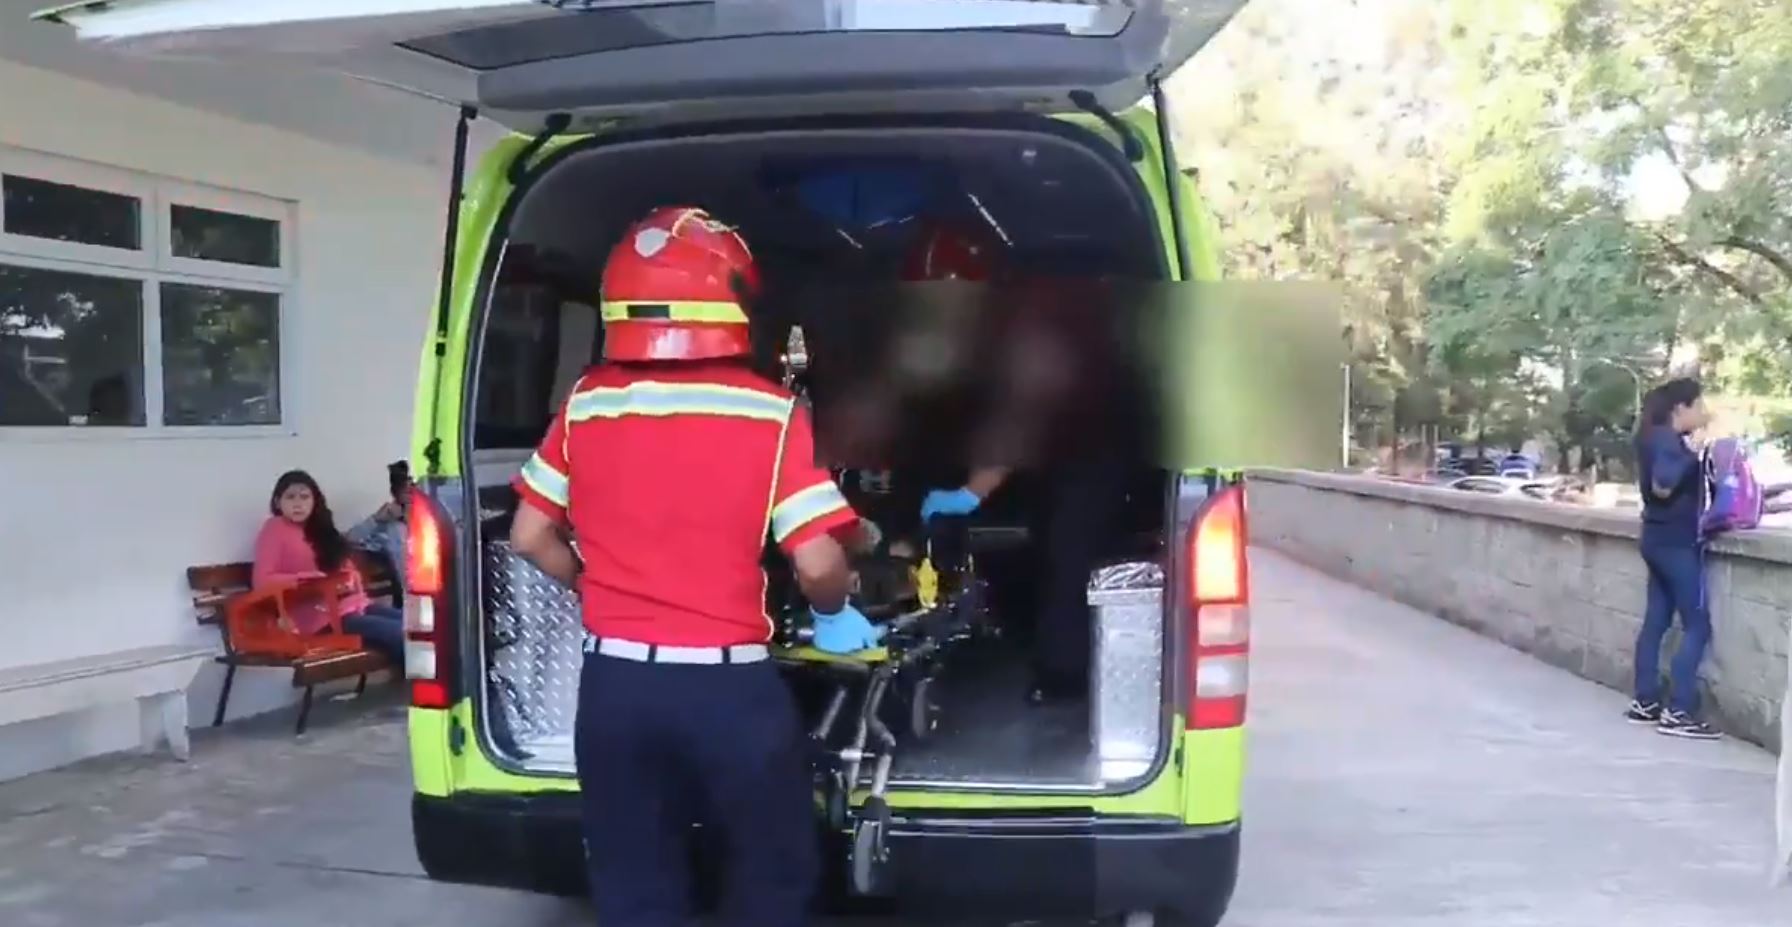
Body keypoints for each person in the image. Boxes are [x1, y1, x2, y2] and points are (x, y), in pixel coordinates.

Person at [506, 205, 875, 927]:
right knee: (771, 873)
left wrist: (597, 589)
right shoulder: (770, 412)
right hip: (727, 688)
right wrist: (834, 612)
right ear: (730, 298)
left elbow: (528, 535)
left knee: (634, 880)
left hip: (614, 686)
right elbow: (817, 560)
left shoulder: (586, 402)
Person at [1625, 377, 1720, 739]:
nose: (1703, 412)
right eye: (1699, 405)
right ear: (1682, 408)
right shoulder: (1667, 441)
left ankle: (1646, 701)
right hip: (1676, 543)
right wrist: (1692, 457)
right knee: (1697, 624)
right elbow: (1662, 486)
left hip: (1656, 538)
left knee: (1657, 621)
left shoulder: (1652, 437)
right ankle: (1679, 710)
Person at [252, 470, 406, 666]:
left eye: (304, 497)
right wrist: (307, 579)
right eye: (290, 497)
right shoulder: (274, 529)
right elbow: (262, 581)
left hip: (354, 605)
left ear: (314, 501)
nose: (298, 503)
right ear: (277, 502)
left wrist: (348, 577)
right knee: (399, 634)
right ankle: (429, 687)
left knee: (418, 626)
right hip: (319, 618)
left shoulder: (320, 528)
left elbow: (344, 564)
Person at [346, 460, 411, 593]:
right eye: (407, 492)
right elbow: (350, 539)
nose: (412, 497)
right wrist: (375, 519)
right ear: (396, 495)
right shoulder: (388, 526)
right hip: (409, 594)